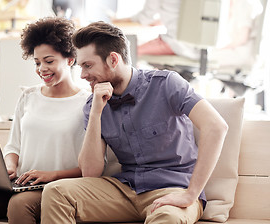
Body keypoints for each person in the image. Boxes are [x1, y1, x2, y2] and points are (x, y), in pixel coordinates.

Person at [41, 21, 229, 223]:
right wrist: (96, 113)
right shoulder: (92, 104)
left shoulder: (166, 84)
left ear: (113, 59)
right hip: (124, 189)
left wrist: (191, 194)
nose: (83, 75)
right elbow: (90, 172)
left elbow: (216, 127)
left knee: (168, 219)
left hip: (173, 189)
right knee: (56, 192)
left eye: (88, 65)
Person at [0, 17, 90, 224]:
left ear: (70, 59)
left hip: (58, 187)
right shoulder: (28, 96)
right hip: (21, 183)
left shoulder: (87, 102)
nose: (42, 68)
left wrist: (52, 175)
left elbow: (93, 166)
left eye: (49, 61)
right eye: (37, 62)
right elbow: (13, 146)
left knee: (19, 204)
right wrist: (10, 167)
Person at [113, 0, 199, 60]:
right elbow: (181, 12)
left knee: (125, 53)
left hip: (177, 45)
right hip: (200, 48)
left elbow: (145, 17)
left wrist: (117, 21)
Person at [209, 0, 263, 73]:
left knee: (204, 57)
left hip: (242, 55)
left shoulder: (243, 0)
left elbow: (242, 38)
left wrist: (221, 49)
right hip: (246, 54)